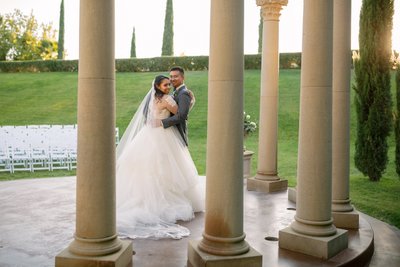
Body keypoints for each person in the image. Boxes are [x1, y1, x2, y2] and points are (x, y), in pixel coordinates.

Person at [115, 74, 204, 240]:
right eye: (165, 85)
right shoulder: (167, 100)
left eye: (169, 84)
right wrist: (191, 102)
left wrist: (156, 121)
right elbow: (181, 114)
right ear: (157, 86)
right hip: (161, 135)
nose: (168, 87)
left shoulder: (151, 98)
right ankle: (153, 201)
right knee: (159, 168)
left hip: (151, 134)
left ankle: (150, 199)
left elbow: (162, 115)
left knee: (156, 168)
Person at [161, 66, 193, 146]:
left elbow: (181, 116)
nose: (172, 79)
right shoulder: (175, 92)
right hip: (170, 134)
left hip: (178, 134)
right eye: (171, 76)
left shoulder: (184, 93)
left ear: (183, 78)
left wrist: (161, 122)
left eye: (175, 76)